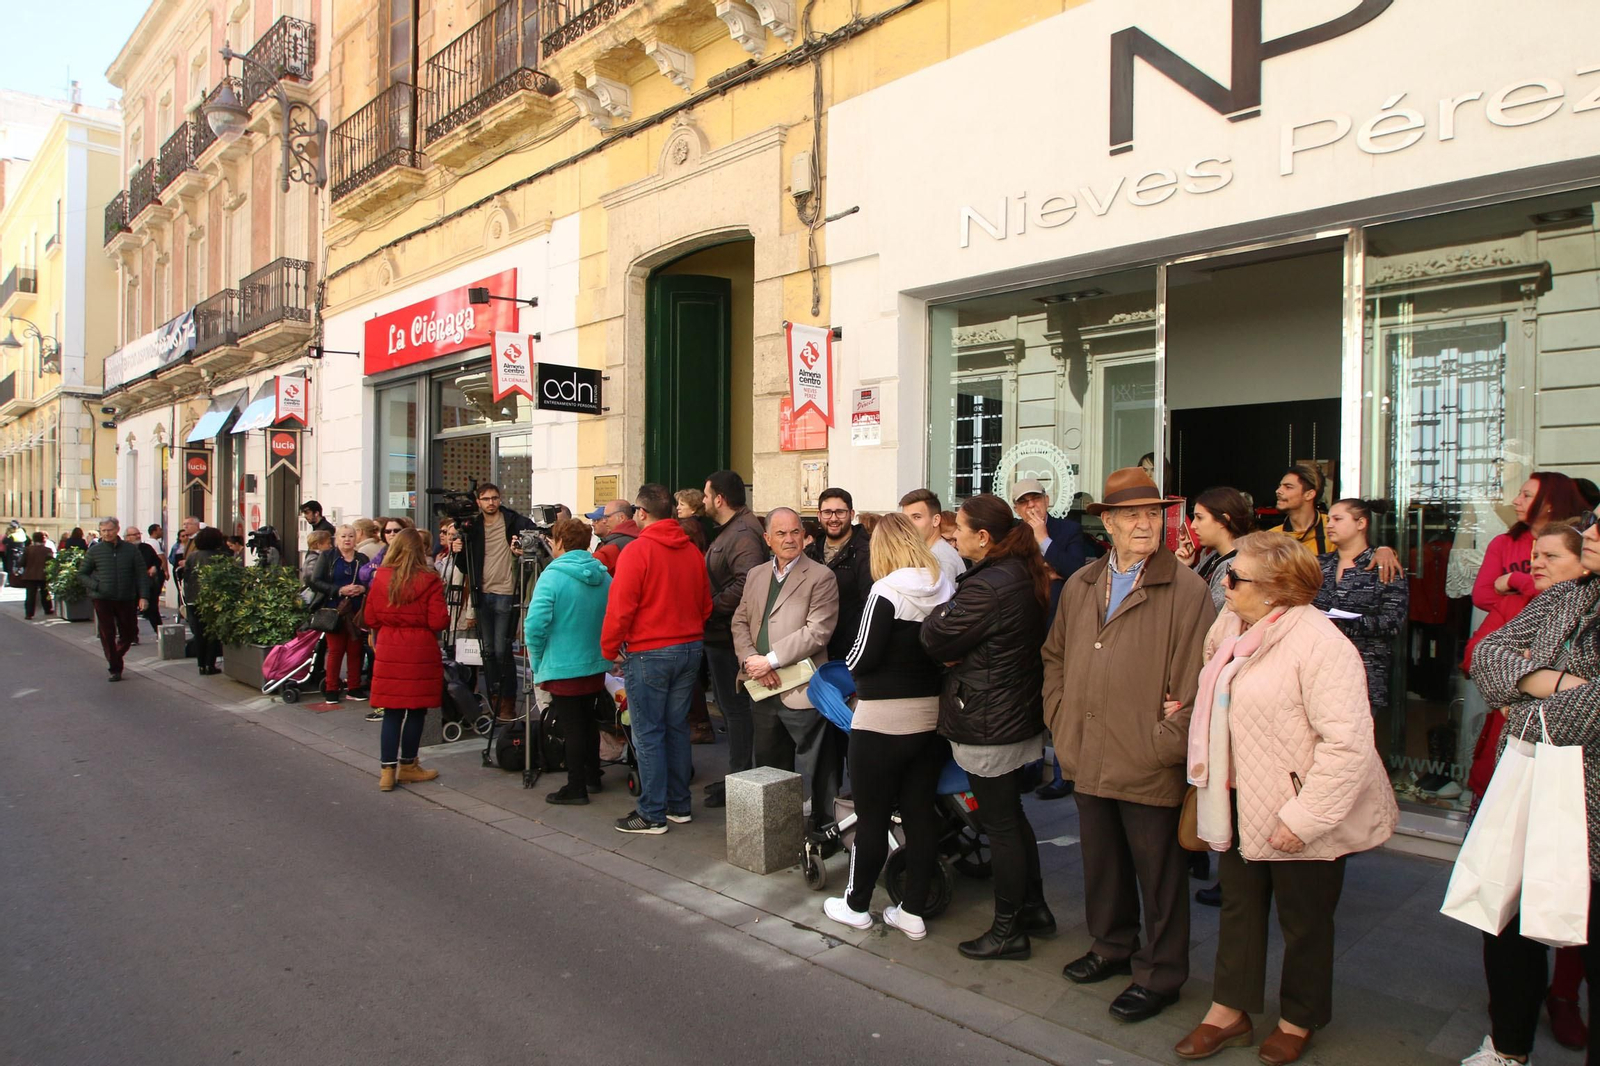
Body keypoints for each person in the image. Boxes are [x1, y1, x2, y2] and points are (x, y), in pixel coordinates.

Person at [1174, 532, 1398, 1065]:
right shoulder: (1232, 625)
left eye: (1236, 576)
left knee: (1305, 921)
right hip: (1235, 795)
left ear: (1276, 589)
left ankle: (1299, 1018)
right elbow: (1224, 691)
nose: (1224, 581)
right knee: (1239, 908)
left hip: (1300, 807)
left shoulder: (1321, 645)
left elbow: (1349, 745)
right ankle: (1228, 1011)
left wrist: (1305, 816)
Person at [1042, 467, 1215, 1023]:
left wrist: (1164, 743)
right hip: (1087, 747)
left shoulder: (1185, 588)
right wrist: (1061, 720)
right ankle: (1111, 946)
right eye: (1132, 515)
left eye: (1153, 514)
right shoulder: (1082, 583)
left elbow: (1197, 680)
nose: (1145, 524)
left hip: (1147, 758)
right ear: (1109, 523)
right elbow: (1055, 659)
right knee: (1102, 863)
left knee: (1159, 874)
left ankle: (1160, 973)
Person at [1462, 503, 1600, 1066]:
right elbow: (1487, 654)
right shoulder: (1570, 597)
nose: (1589, 531)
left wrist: (1527, 693)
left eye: (1598, 526)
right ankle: (1508, 1047)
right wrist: (1555, 682)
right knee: (1507, 921)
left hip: (1588, 806)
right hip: (1528, 783)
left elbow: (1586, 715)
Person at [921, 494, 1054, 962]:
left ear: (983, 536)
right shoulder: (1017, 571)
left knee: (999, 823)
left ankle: (1008, 929)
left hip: (990, 716)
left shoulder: (989, 584)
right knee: (1010, 818)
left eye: (957, 527)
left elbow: (934, 635)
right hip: (1010, 710)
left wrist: (942, 618)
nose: (950, 535)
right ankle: (1033, 909)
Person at [822, 513, 955, 941]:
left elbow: (860, 656)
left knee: (873, 817)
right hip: (930, 714)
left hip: (880, 719)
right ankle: (912, 910)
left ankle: (856, 905)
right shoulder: (944, 585)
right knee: (919, 815)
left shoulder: (885, 590)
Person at [602, 483, 713, 834]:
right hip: (689, 647)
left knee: (648, 732)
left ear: (642, 513)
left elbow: (620, 607)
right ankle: (678, 805)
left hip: (650, 650)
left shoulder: (637, 552)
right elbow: (705, 605)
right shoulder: (692, 552)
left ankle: (652, 813)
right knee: (676, 728)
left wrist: (609, 648)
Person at [733, 507, 843, 827]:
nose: (789, 539)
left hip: (801, 688)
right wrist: (752, 661)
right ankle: (776, 829)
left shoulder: (821, 576)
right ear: (767, 539)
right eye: (780, 533)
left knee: (820, 767)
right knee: (769, 767)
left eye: (795, 532)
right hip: (762, 686)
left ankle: (825, 829)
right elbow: (740, 621)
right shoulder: (756, 575)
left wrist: (770, 660)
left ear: (805, 536)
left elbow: (818, 632)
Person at [524, 518, 613, 806]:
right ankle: (591, 775)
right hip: (594, 662)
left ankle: (576, 787)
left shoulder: (552, 576)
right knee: (587, 721)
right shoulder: (604, 575)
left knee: (573, 725)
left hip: (562, 664)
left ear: (559, 542)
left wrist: (537, 661)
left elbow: (535, 626)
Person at [701, 470, 769, 808]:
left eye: (705, 495)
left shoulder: (742, 533)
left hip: (729, 636)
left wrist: (709, 608)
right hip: (719, 632)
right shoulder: (732, 530)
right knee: (733, 711)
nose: (702, 501)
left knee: (738, 710)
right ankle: (737, 776)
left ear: (719, 499)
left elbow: (748, 582)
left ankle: (741, 780)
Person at [362, 527, 447, 792]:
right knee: (416, 710)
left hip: (388, 647)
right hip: (420, 648)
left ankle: (387, 772)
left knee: (392, 711)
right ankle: (409, 765)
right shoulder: (430, 580)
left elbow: (370, 618)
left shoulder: (381, 577)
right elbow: (438, 620)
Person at [1311, 499, 1410, 713]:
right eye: (1329, 519)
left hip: (1364, 669)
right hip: (1318, 667)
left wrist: (1346, 622)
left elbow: (1393, 622)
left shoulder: (1384, 566)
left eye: (1337, 519)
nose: (1329, 525)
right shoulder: (1319, 564)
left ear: (1361, 523)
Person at [459, 482, 536, 720]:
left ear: (500, 499)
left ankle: (507, 703)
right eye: (486, 499)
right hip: (482, 593)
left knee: (503, 651)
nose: (491, 502)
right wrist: (457, 548)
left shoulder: (515, 521)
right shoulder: (472, 526)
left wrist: (523, 552)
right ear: (478, 501)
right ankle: (494, 697)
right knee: (489, 651)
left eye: (494, 498)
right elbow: (464, 565)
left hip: (506, 592)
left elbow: (537, 543)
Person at [1472, 471, 1589, 620]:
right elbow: (1482, 596)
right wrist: (1536, 610)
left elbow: (1573, 595)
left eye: (1526, 496)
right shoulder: (1503, 543)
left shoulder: (1580, 540)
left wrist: (1515, 580)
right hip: (1512, 634)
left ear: (1551, 504)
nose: (1516, 501)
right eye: (1519, 494)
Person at [77, 518, 152, 682]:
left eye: (109, 530)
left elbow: (141, 574)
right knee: (107, 633)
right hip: (102, 598)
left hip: (126, 597)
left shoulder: (130, 550)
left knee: (130, 632)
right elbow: (82, 573)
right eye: (103, 530)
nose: (106, 533)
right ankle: (115, 667)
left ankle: (116, 656)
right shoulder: (95, 550)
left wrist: (143, 596)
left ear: (117, 529)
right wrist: (96, 586)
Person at [806, 487, 872, 662]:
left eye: (840, 512)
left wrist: (848, 646)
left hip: (848, 654)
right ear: (819, 515)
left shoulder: (867, 553)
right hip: (812, 651)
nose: (833, 518)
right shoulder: (809, 553)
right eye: (827, 512)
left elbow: (868, 606)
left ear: (851, 514)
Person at [307, 524, 370, 704]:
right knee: (335, 651)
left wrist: (362, 588)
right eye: (343, 536)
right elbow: (315, 581)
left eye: (351, 536)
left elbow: (371, 580)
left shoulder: (362, 558)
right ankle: (331, 688)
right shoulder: (328, 557)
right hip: (334, 610)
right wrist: (339, 590)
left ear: (356, 538)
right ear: (337, 539)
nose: (347, 539)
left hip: (357, 611)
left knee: (356, 650)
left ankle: (354, 687)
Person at [1011, 477, 1088, 617]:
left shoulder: (1069, 529)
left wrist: (1044, 539)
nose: (1031, 505)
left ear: (1046, 500)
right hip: (1022, 615)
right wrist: (1041, 574)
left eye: (1036, 498)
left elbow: (1078, 572)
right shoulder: (1011, 534)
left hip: (1058, 614)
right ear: (1016, 509)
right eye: (1023, 502)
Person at [1175, 487, 1255, 612]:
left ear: (1223, 520)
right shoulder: (1213, 555)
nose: (1193, 525)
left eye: (1200, 518)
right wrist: (1184, 566)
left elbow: (1207, 612)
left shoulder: (1234, 565)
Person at [183, 527, 233, 675]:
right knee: (212, 633)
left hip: (194, 599)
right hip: (213, 600)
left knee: (199, 633)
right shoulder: (221, 556)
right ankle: (210, 664)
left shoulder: (192, 557)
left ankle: (201, 664)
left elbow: (186, 576)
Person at [900, 488, 965, 586]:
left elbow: (943, 600)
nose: (908, 524)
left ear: (936, 520)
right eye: (905, 519)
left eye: (916, 517)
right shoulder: (932, 554)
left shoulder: (939, 559)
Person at [123, 527, 165, 634]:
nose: (138, 536)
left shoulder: (146, 547)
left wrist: (154, 567)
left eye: (139, 533)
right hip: (130, 585)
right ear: (127, 537)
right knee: (130, 612)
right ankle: (132, 636)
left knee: (153, 610)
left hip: (147, 584)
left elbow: (157, 561)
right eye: (135, 534)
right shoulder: (123, 549)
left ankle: (161, 634)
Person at [589, 499, 639, 576]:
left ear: (621, 518)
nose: (604, 521)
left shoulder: (613, 546)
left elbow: (588, 570)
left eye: (607, 517)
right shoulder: (640, 537)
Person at [20, 531, 53, 620]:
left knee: (30, 594)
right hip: (43, 574)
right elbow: (51, 563)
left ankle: (29, 613)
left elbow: (22, 562)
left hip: (30, 575)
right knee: (45, 592)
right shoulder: (47, 550)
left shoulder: (28, 550)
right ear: (43, 539)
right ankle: (48, 609)